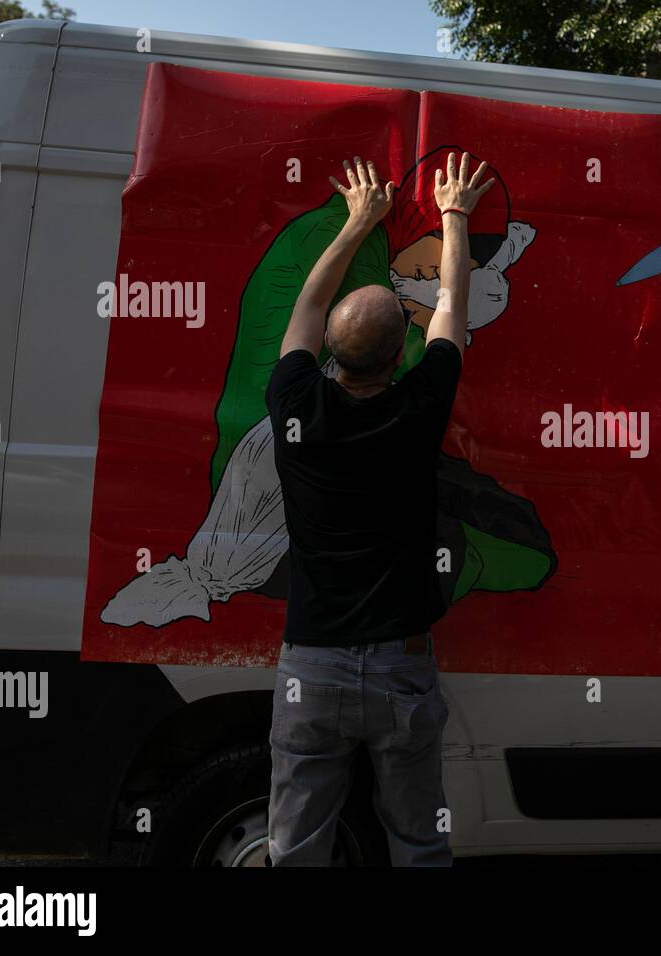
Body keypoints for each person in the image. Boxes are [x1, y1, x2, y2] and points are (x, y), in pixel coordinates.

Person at [264, 151, 495, 866]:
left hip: (313, 667)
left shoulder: (294, 404)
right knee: (419, 845)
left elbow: (305, 308)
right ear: (400, 358)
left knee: (296, 849)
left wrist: (357, 221)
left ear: (330, 355)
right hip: (401, 668)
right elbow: (452, 308)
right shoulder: (419, 408)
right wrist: (453, 216)